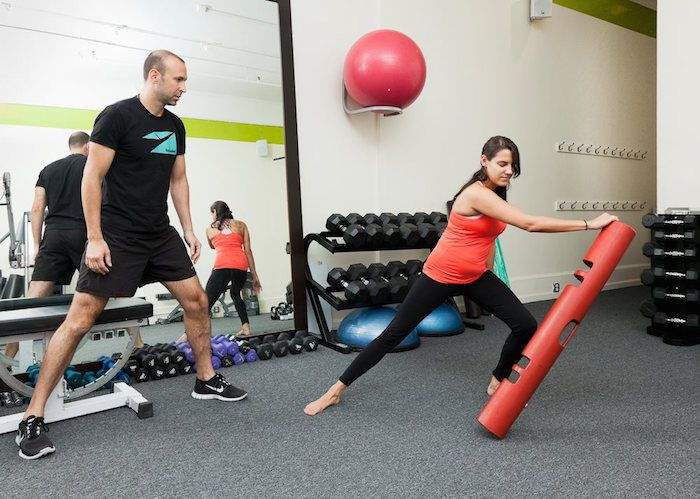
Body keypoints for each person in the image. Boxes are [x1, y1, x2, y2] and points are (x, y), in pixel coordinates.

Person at [15, 50, 247, 461]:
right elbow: (93, 176)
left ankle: (205, 378)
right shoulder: (116, 116)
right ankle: (33, 415)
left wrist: (190, 229)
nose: (183, 87)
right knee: (81, 317)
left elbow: (179, 179)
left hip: (159, 233)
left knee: (197, 300)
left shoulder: (175, 125)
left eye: (184, 80)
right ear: (154, 76)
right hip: (117, 234)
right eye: (178, 80)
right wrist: (95, 237)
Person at [304, 135, 618, 417]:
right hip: (439, 276)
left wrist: (492, 275)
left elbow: (490, 236)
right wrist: (589, 224)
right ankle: (334, 391)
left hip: (475, 275)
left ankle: (498, 377)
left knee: (524, 324)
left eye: (513, 166)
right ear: (484, 161)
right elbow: (530, 224)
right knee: (393, 334)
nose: (509, 171)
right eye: (502, 163)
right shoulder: (476, 193)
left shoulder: (496, 194)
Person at [3, 131, 90, 361]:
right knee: (109, 289)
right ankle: (138, 346)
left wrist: (37, 245)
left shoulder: (48, 169)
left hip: (53, 235)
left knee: (33, 298)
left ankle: (9, 358)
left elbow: (37, 209)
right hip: (83, 233)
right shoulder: (93, 166)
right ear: (87, 146)